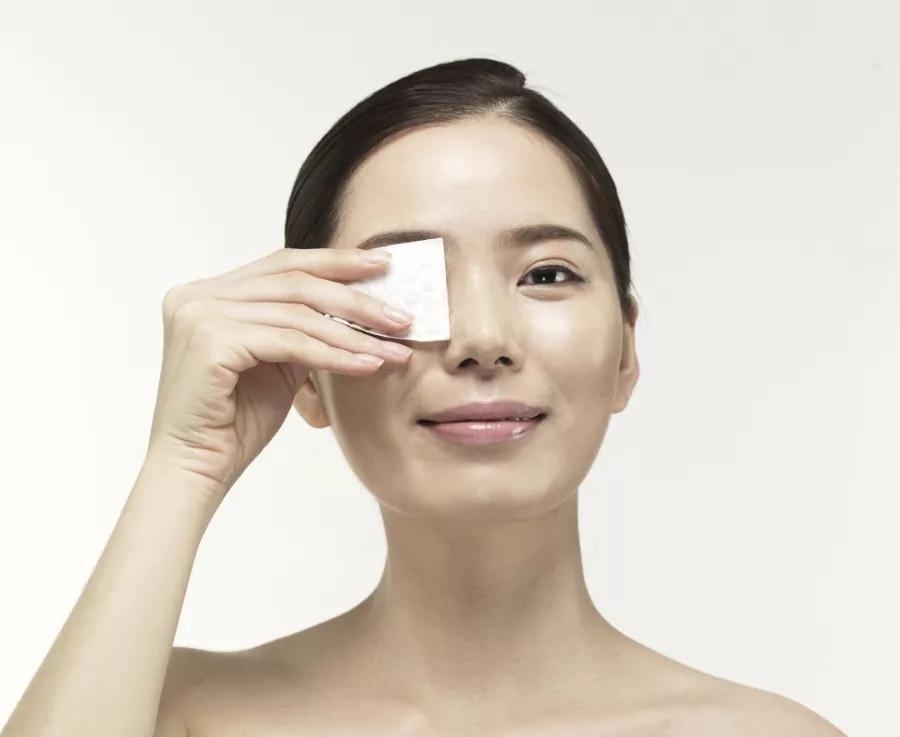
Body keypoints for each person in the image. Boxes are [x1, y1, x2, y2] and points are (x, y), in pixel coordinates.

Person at [1, 57, 845, 737]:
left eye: (547, 274)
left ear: (626, 350)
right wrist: (181, 466)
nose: (482, 337)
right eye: (406, 283)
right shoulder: (175, 714)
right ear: (309, 369)